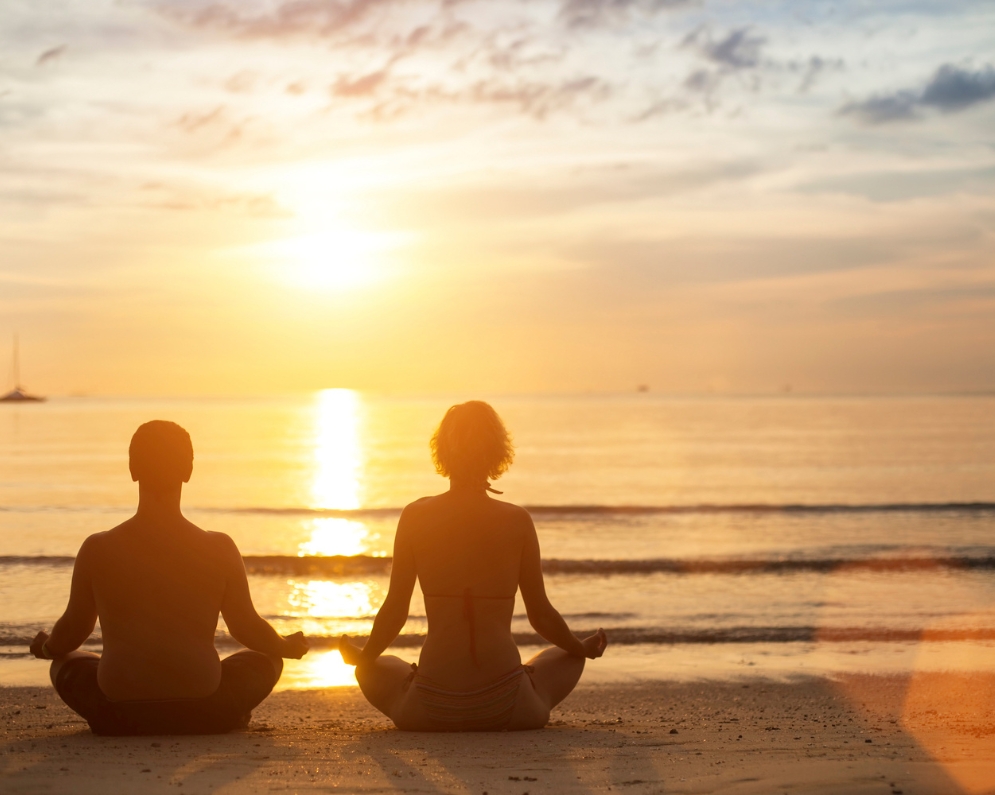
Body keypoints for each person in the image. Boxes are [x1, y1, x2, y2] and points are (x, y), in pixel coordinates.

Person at [339, 401, 607, 731]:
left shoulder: (415, 516)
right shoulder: (517, 520)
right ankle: (527, 681)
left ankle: (407, 681)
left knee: (375, 666)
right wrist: (581, 647)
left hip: (429, 706)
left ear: (442, 451)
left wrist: (363, 657)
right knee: (568, 655)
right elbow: (541, 615)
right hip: (509, 705)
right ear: (497, 451)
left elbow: (395, 609)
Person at [30, 420, 309, 736]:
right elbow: (246, 626)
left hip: (118, 713)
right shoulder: (218, 547)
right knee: (266, 658)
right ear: (187, 471)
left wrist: (48, 648)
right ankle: (229, 716)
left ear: (133, 469)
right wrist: (284, 646)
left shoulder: (98, 547)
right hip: (205, 710)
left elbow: (72, 630)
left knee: (65, 662)